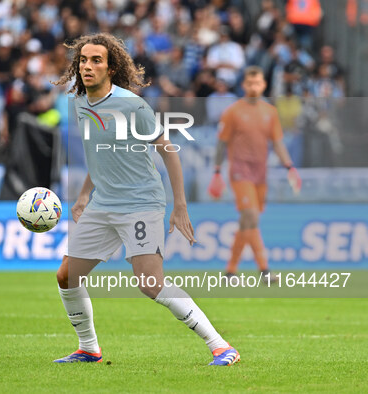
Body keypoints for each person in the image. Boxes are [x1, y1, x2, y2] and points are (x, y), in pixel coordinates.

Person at [51, 33, 240, 366]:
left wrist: (179, 206)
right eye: (83, 60)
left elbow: (168, 151)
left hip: (140, 202)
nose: (87, 66)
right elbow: (101, 155)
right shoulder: (80, 103)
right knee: (67, 275)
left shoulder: (131, 105)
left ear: (111, 68)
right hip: (103, 203)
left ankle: (222, 346)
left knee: (150, 283)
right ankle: (89, 349)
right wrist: (83, 196)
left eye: (96, 60)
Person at [208, 66, 302, 280]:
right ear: (244, 85)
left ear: (264, 85)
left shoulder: (270, 112)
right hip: (240, 171)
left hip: (261, 174)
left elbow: (277, 143)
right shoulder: (233, 111)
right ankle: (264, 269)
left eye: (257, 83)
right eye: (250, 83)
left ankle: (230, 271)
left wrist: (290, 167)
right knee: (250, 216)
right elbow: (221, 144)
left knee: (247, 222)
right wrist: (216, 172)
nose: (253, 87)